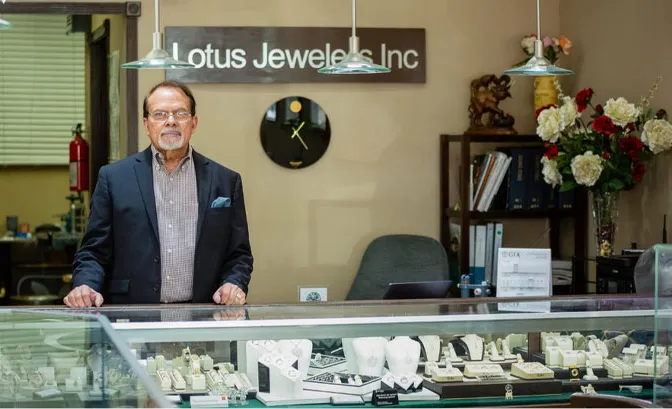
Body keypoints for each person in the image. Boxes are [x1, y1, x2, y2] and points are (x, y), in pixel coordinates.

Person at [64, 80, 253, 307]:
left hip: (203, 315)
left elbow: (239, 254)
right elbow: (94, 251)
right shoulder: (113, 178)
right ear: (147, 124)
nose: (171, 121)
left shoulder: (226, 181)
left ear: (194, 123)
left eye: (181, 114)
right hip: (133, 315)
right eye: (160, 114)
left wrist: (234, 282)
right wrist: (86, 286)